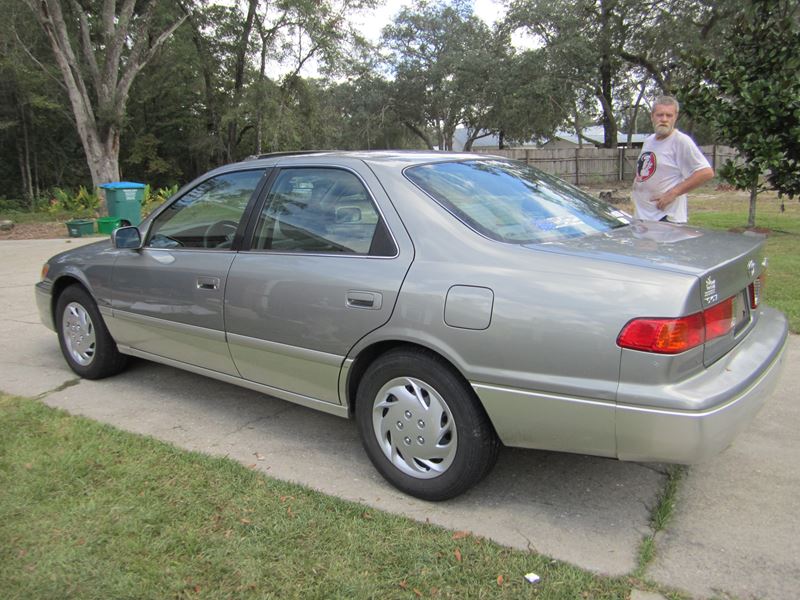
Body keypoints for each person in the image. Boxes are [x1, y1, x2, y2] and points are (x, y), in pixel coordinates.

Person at [631, 96, 714, 223]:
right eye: (660, 115)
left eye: (669, 115)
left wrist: (673, 193)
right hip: (644, 216)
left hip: (665, 218)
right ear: (652, 116)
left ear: (675, 117)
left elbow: (706, 172)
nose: (664, 119)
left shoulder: (680, 141)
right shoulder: (649, 141)